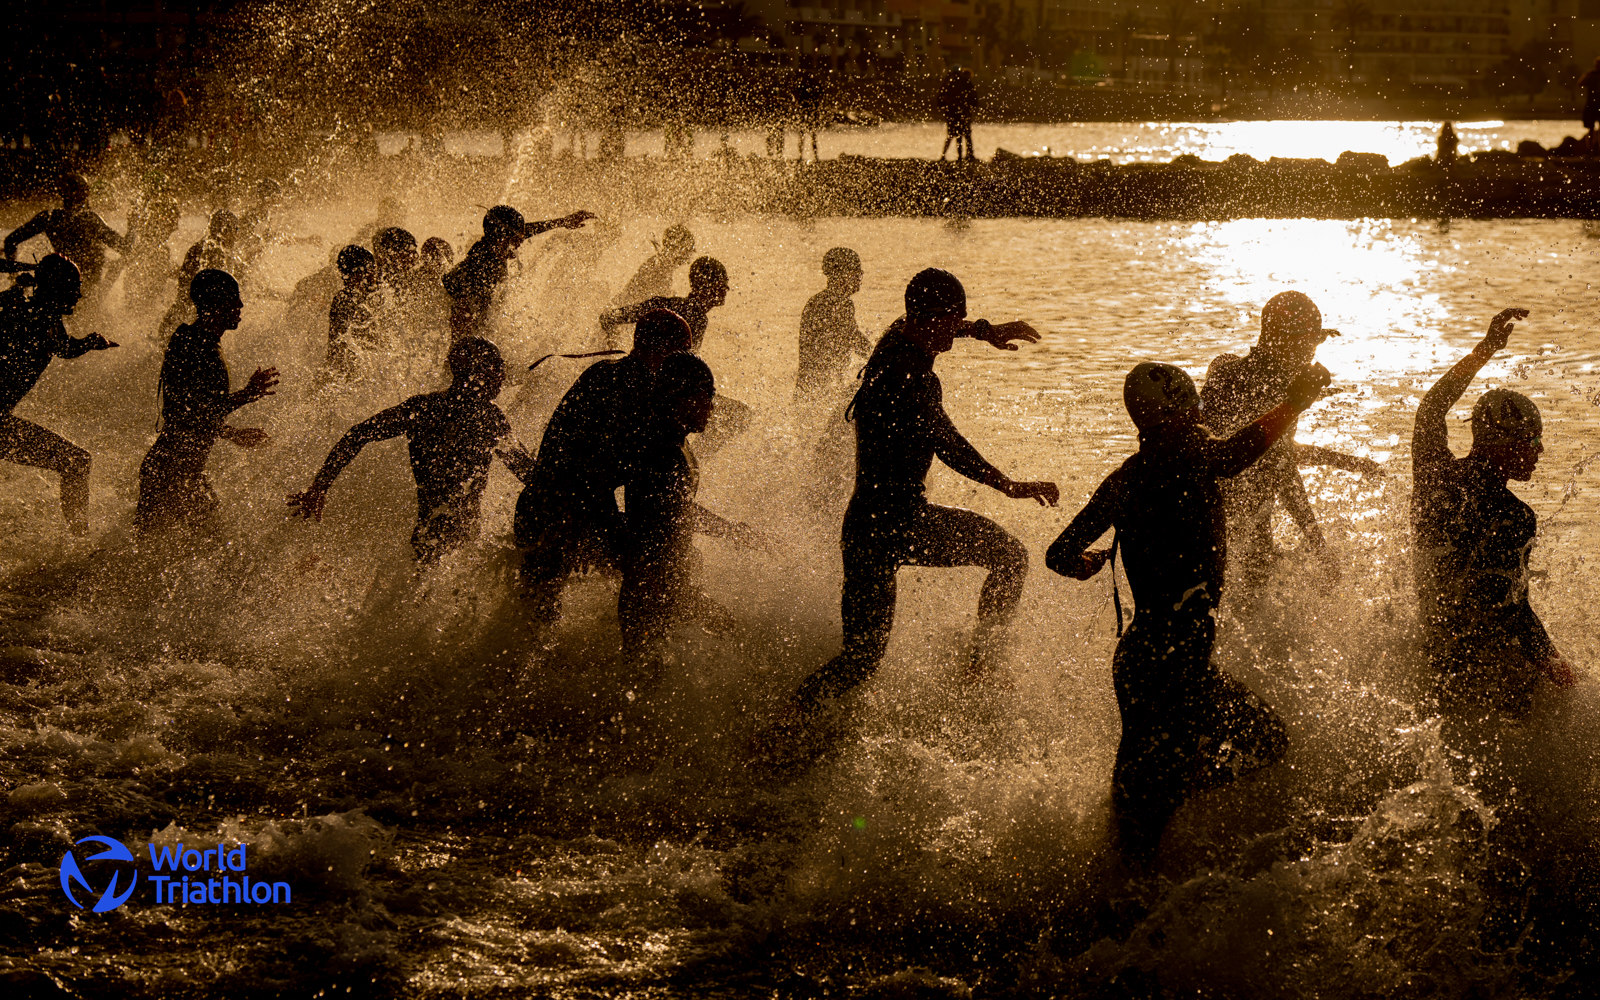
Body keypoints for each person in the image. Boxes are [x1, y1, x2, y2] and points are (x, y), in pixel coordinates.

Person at [1046, 359, 1331, 863]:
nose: (1201, 414)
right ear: (1178, 409)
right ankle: (1161, 831)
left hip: (1138, 659)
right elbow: (1234, 455)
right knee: (1266, 740)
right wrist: (1294, 403)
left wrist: (1087, 564)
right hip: (1176, 663)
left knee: (1134, 805)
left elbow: (1058, 553)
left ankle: (1113, 898)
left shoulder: (1123, 478)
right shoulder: (1192, 451)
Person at [778, 269, 1058, 728]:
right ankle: (980, 671)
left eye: (960, 319)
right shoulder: (912, 378)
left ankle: (786, 721)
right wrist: (1006, 483)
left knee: (861, 660)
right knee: (1009, 555)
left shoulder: (892, 341)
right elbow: (947, 442)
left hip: (866, 527)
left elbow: (916, 325)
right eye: (953, 319)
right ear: (927, 317)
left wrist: (982, 330)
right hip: (900, 523)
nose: (957, 327)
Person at [1411, 307, 1576, 718]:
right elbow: (1509, 607)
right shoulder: (1514, 516)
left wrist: (1484, 350)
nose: (1539, 450)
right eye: (1531, 438)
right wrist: (1552, 660)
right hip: (1484, 665)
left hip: (1432, 646)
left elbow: (1431, 408)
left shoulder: (1433, 475)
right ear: (1501, 441)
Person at [515, 309, 694, 621]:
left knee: (533, 617)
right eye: (685, 356)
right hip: (562, 512)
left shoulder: (604, 373)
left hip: (541, 505)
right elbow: (587, 473)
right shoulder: (637, 392)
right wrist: (606, 530)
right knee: (651, 571)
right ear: (667, 354)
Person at [1200, 291, 1381, 593]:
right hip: (1229, 520)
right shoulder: (1275, 389)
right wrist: (1318, 545)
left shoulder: (1231, 371)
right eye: (1309, 342)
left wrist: (1342, 461)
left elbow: (1267, 449)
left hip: (1209, 519)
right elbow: (1277, 464)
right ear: (1282, 340)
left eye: (1316, 341)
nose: (1312, 353)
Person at [289, 338, 524, 563]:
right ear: (475, 372)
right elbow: (527, 472)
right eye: (496, 367)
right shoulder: (489, 419)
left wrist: (320, 487)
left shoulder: (424, 409)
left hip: (429, 540)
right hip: (460, 546)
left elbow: (357, 434)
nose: (502, 376)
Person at [619, 352, 763, 669]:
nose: (711, 408)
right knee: (649, 678)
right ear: (680, 398)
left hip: (665, 582)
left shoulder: (674, 440)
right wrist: (731, 533)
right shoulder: (661, 449)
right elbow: (676, 513)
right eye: (705, 398)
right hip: (654, 586)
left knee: (659, 678)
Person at [136, 270, 278, 538]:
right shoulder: (197, 345)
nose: (240, 306)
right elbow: (191, 413)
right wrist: (247, 394)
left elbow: (191, 414)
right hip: (172, 474)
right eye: (233, 299)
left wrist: (232, 433)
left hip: (177, 471)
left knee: (207, 550)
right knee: (202, 550)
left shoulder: (191, 338)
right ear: (215, 303)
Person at [0, 255, 116, 536]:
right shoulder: (33, 314)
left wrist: (89, 342)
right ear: (56, 288)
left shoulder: (32, 311)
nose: (78, 294)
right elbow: (60, 345)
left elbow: (63, 347)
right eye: (73, 287)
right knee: (76, 462)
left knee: (76, 462)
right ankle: (80, 542)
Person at [602, 256, 748, 451]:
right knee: (738, 414)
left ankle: (691, 456)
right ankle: (693, 458)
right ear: (706, 286)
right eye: (723, 283)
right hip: (660, 392)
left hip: (655, 385)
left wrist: (616, 354)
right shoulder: (693, 315)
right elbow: (684, 371)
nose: (726, 290)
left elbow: (608, 318)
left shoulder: (673, 305)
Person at [443, 205, 594, 340]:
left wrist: (562, 222)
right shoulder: (480, 268)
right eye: (516, 239)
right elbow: (460, 320)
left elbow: (526, 230)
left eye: (520, 238)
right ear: (501, 237)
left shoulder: (492, 246)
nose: (519, 244)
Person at [3, 173, 133, 297]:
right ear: (85, 194)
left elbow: (10, 241)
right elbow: (125, 247)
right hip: (90, 293)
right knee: (120, 260)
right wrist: (133, 226)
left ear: (61, 193)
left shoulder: (49, 218)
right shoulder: (90, 220)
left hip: (60, 289)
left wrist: (13, 278)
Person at [795, 247, 871, 403]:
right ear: (842, 275)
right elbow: (856, 341)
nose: (860, 277)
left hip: (810, 392)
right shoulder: (836, 303)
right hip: (818, 395)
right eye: (857, 272)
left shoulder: (821, 301)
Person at [325, 245, 380, 376]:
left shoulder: (366, 298)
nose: (375, 274)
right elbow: (338, 343)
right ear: (357, 274)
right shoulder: (345, 300)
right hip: (348, 372)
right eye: (371, 269)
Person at [122, 198, 181, 313]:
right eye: (174, 220)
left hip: (141, 309)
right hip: (141, 312)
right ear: (163, 219)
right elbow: (159, 272)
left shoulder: (152, 245)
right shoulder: (151, 247)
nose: (176, 227)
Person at [615, 224, 695, 307]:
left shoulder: (661, 263)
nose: (691, 254)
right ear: (679, 248)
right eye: (689, 249)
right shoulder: (660, 268)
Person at [936, 68, 977, 162]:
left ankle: (953, 156)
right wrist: (970, 111)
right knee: (964, 135)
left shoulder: (953, 84)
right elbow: (973, 100)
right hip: (961, 114)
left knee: (955, 136)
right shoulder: (966, 85)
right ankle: (967, 155)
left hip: (953, 114)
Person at [1581, 57, 1600, 133]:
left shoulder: (1591, 75)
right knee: (1590, 128)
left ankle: (1591, 143)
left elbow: (1580, 83)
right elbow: (1581, 83)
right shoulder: (1591, 75)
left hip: (1591, 104)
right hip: (1592, 104)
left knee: (1590, 129)